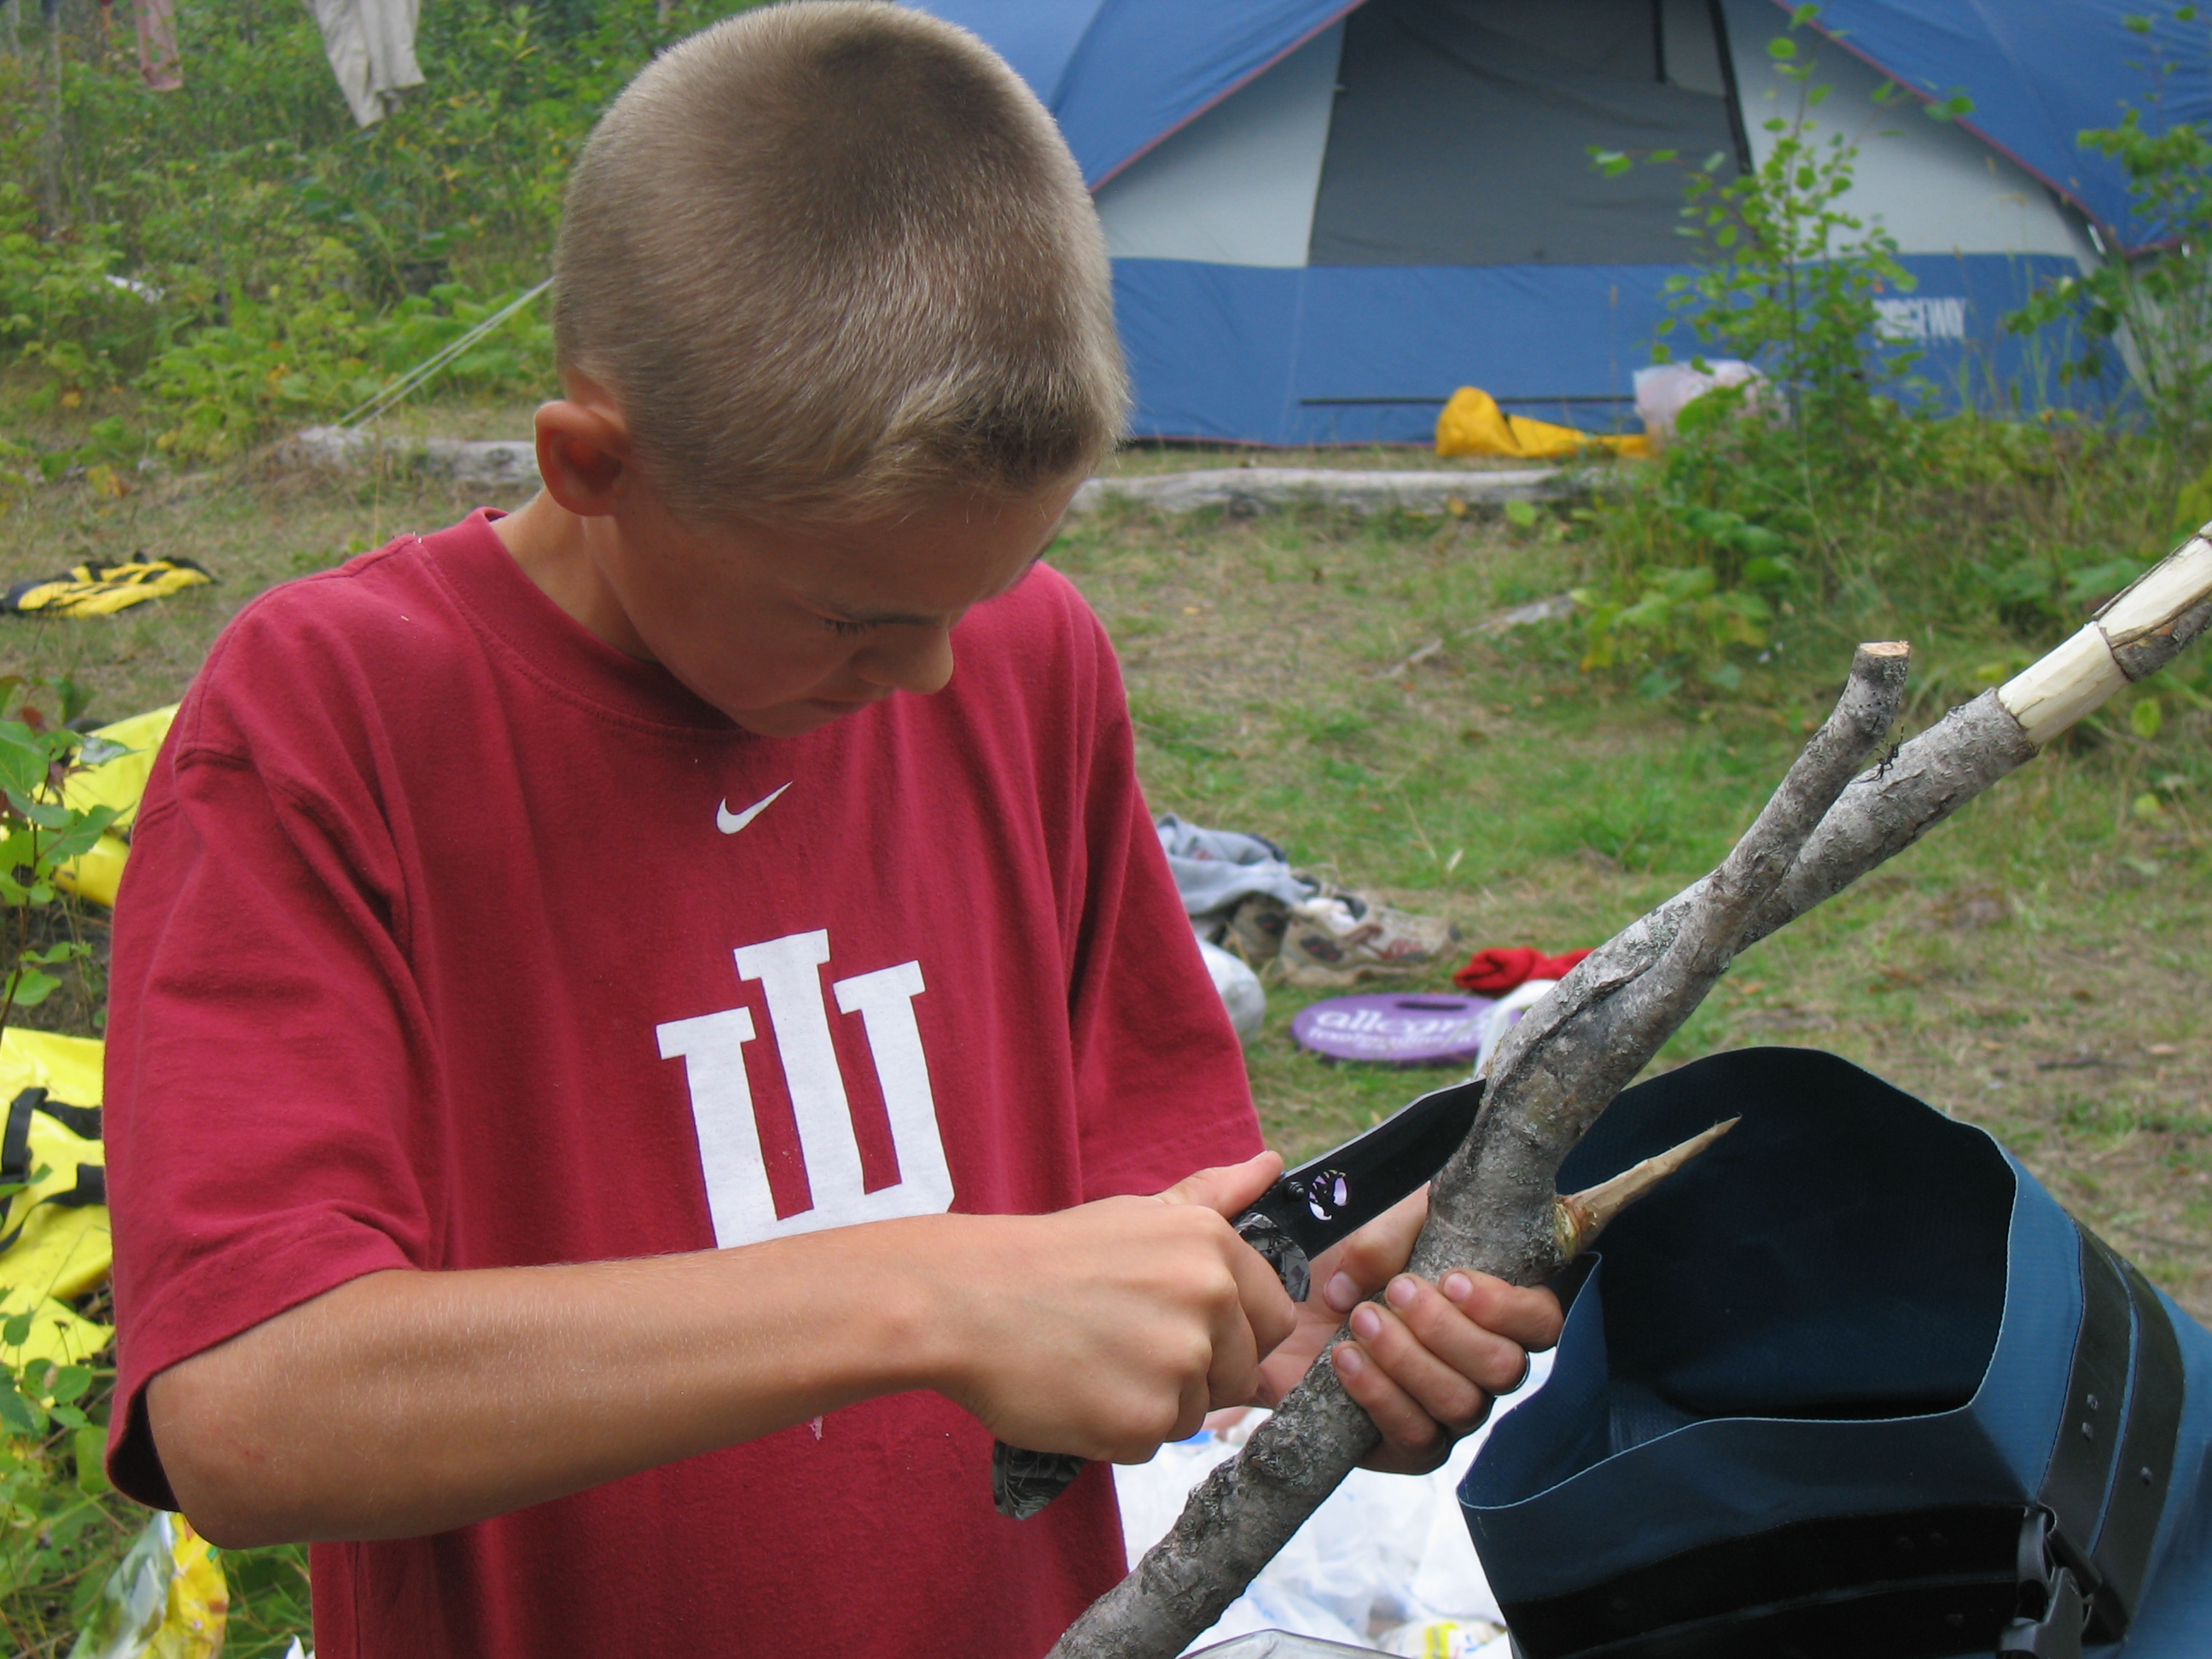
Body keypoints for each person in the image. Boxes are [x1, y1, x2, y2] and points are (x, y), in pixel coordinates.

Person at [101, 8, 1563, 1657]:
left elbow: (1152, 1216)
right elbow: (247, 1414)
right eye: (855, 618)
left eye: (978, 593)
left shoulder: (1029, 664)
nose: (929, 673)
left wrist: (1298, 1331)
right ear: (592, 464)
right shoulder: (337, 718)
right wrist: (922, 1294)